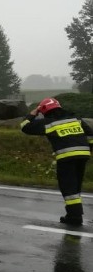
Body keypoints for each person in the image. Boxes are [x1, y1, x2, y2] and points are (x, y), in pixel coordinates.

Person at [20, 97, 93, 226]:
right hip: (83, 155)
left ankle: (75, 218)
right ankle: (73, 214)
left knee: (68, 187)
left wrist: (33, 113)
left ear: (44, 111)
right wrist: (89, 149)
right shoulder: (75, 119)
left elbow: (25, 127)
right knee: (75, 185)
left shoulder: (48, 123)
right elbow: (90, 134)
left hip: (66, 157)